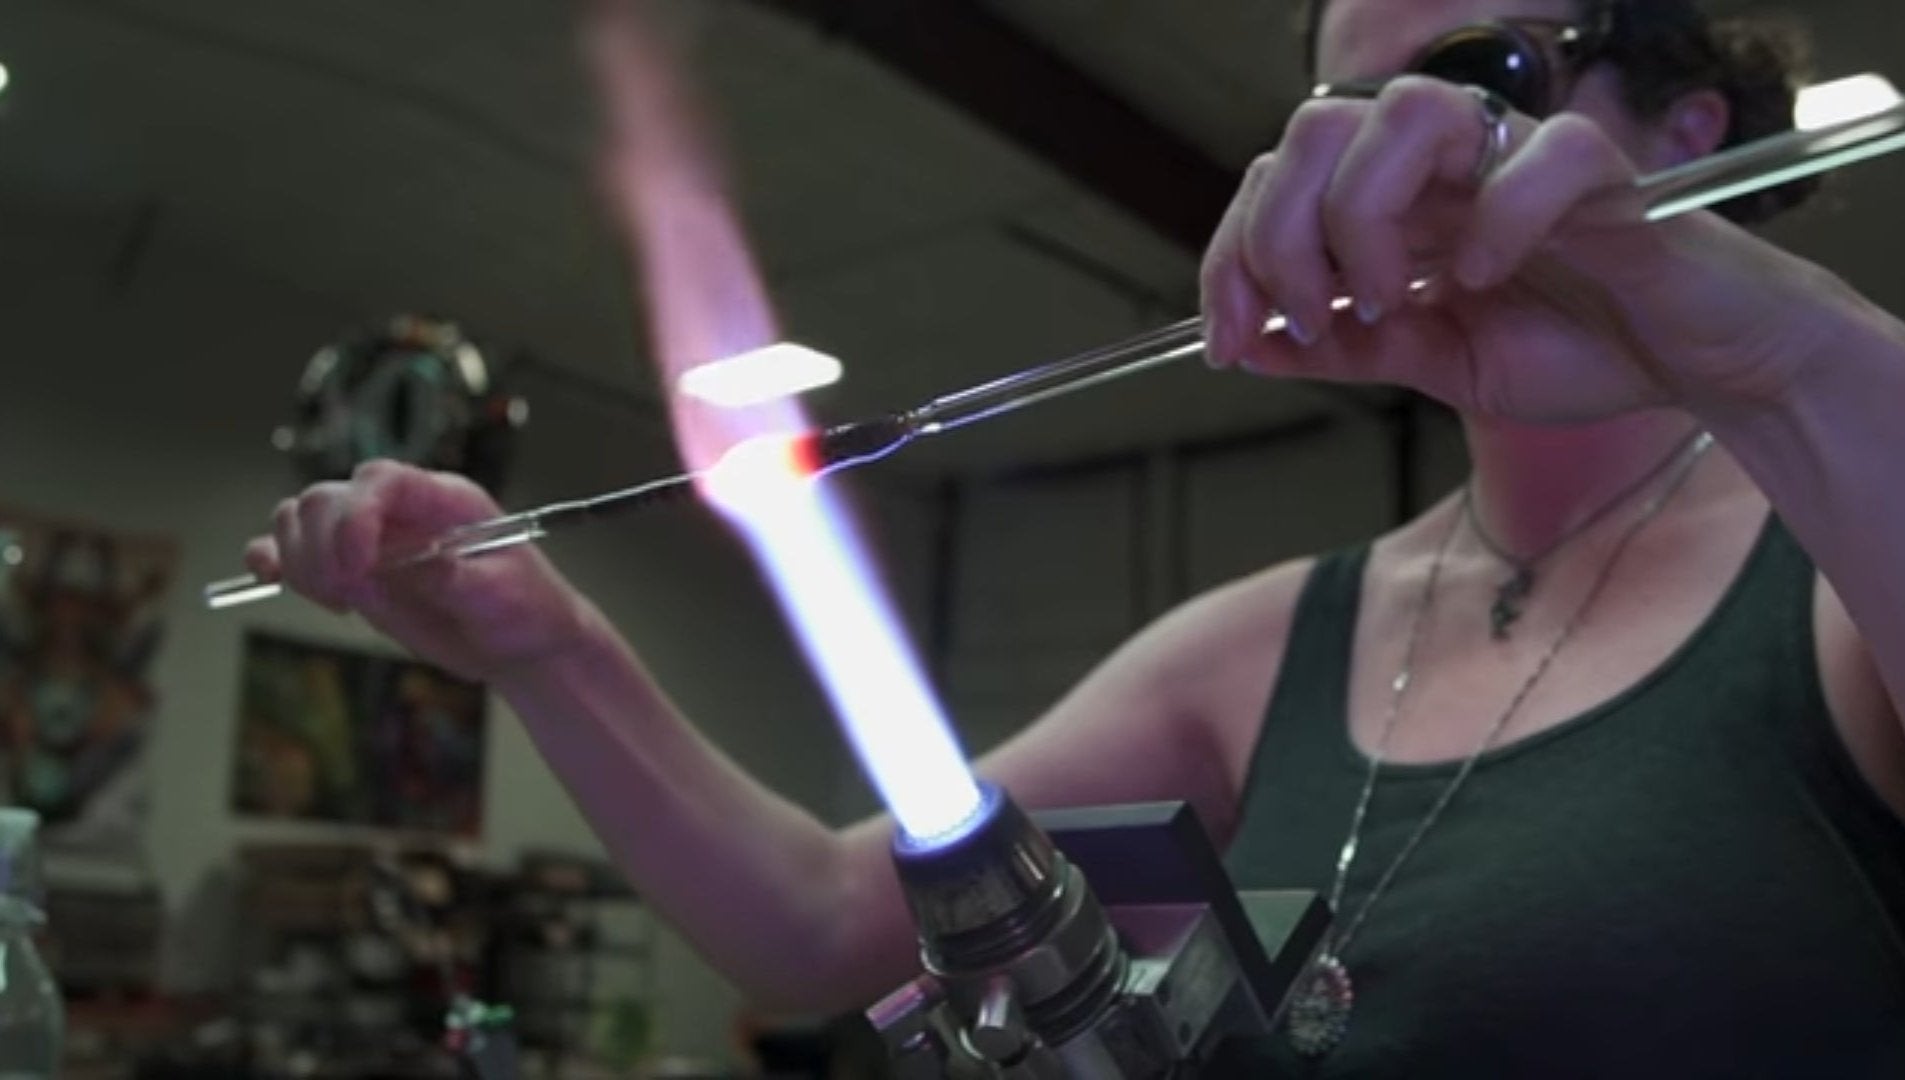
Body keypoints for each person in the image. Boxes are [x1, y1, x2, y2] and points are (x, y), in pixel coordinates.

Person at [250, 0, 1905, 1072]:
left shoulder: (1830, 573)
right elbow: (826, 921)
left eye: (1481, 84)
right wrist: (553, 648)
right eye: (1341, 107)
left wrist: (1770, 352)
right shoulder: (1282, 641)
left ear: (1693, 133)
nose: (1396, 153)